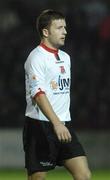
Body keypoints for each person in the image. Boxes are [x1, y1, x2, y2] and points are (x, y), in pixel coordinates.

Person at [23, 9, 91, 180]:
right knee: (38, 178)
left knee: (84, 175)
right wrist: (56, 123)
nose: (65, 32)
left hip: (63, 124)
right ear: (46, 32)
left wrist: (61, 124)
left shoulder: (66, 57)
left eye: (65, 27)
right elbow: (38, 94)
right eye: (59, 28)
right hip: (40, 126)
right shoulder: (36, 58)